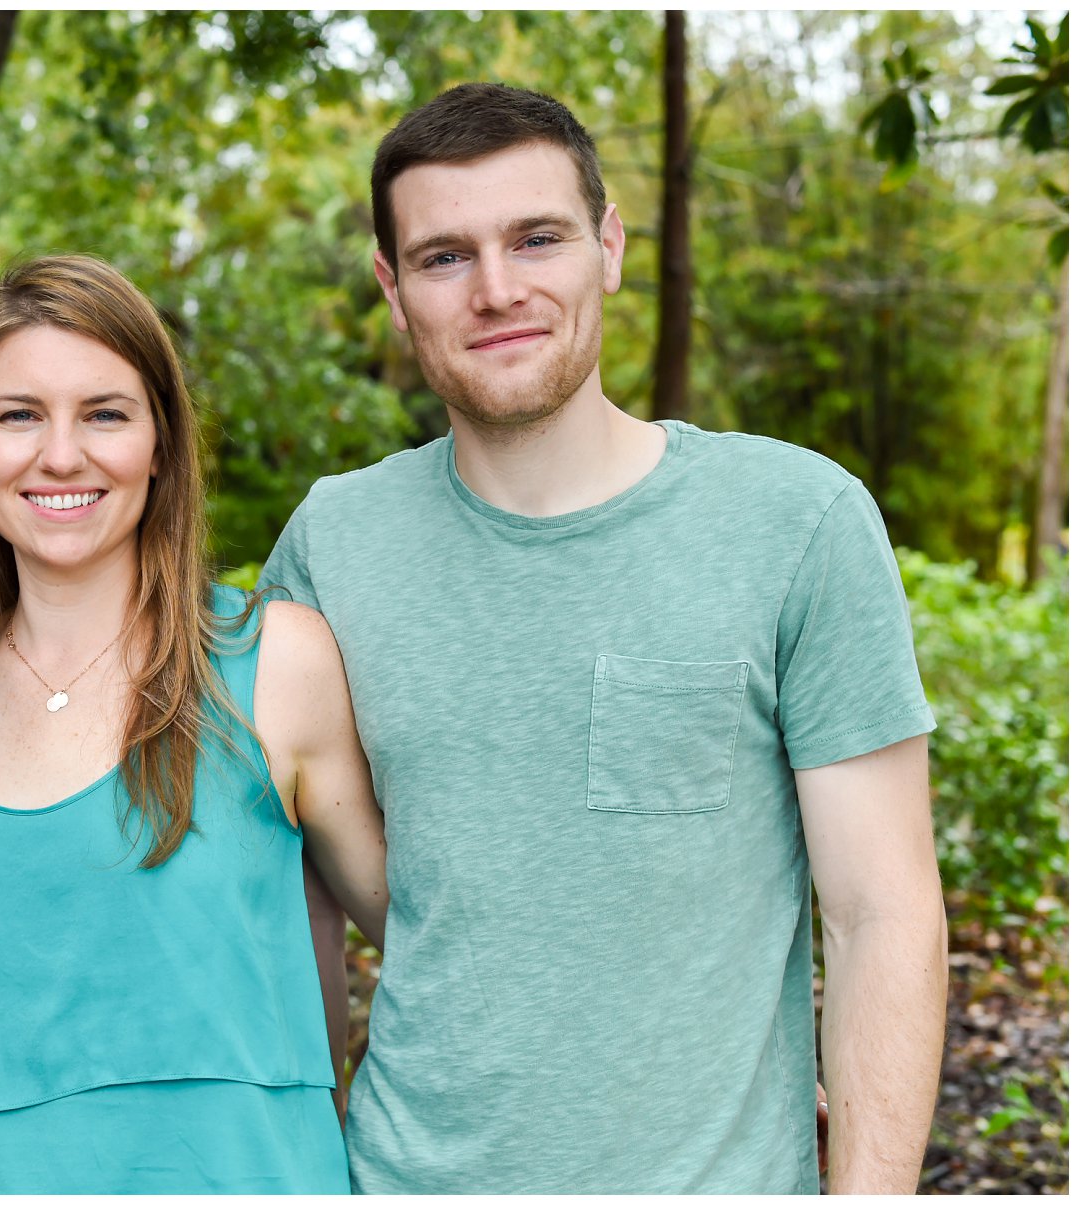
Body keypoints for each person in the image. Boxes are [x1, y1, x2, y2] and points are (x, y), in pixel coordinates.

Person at [260, 83, 948, 1194]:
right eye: (444, 256)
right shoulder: (332, 544)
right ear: (392, 289)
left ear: (610, 248)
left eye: (537, 238)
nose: (497, 289)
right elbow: (299, 900)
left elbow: (884, 912)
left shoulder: (797, 521)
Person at [0, 255, 388, 1193]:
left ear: (161, 442)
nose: (62, 454)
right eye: (19, 414)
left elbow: (422, 937)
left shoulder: (274, 662)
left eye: (106, 412)